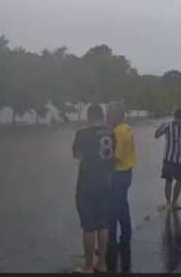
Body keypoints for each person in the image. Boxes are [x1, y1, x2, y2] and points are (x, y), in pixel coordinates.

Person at [72, 104, 117, 273]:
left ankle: (89, 266)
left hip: (87, 183)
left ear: (89, 116)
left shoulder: (82, 133)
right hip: (106, 181)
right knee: (103, 224)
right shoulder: (111, 132)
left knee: (89, 226)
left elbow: (77, 154)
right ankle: (102, 263)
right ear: (102, 116)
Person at [105, 101, 136, 273]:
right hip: (127, 172)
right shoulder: (128, 128)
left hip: (117, 174)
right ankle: (125, 239)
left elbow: (115, 157)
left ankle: (110, 245)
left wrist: (103, 171)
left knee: (112, 210)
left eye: (109, 113)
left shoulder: (117, 132)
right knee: (123, 206)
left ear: (117, 115)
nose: (107, 116)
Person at [155, 108, 181, 210]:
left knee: (180, 180)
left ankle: (174, 201)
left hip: (180, 158)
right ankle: (168, 203)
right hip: (169, 158)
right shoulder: (167, 125)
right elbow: (156, 136)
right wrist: (159, 129)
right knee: (169, 180)